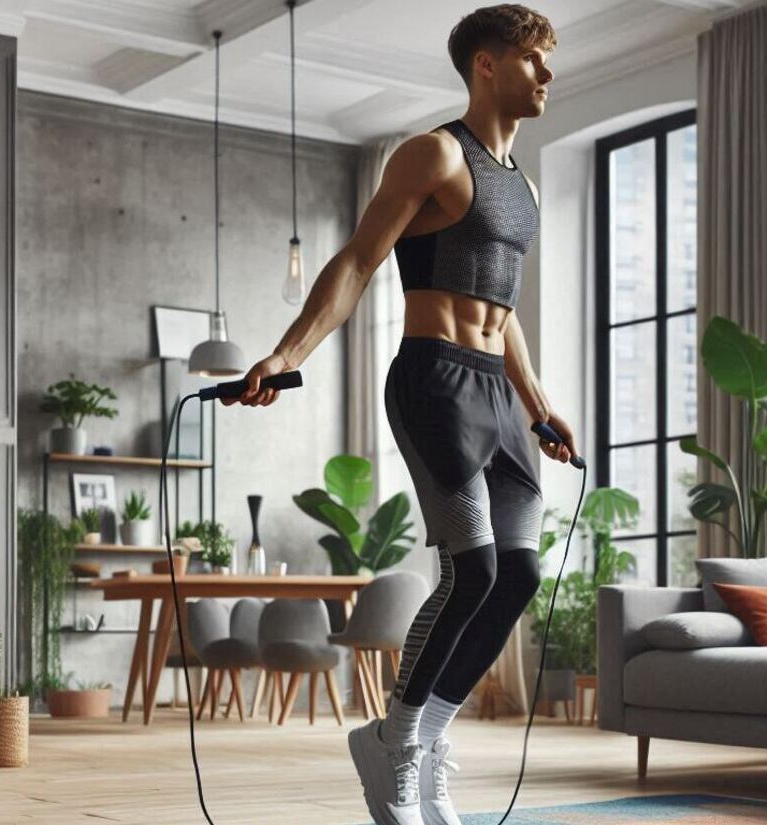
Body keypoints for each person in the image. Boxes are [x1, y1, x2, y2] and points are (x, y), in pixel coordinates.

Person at [223, 5, 575, 824]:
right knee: (472, 568)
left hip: (499, 393)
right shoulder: (432, 152)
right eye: (534, 59)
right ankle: (396, 744)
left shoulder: (521, 185)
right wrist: (288, 353)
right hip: (434, 382)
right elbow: (357, 258)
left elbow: (504, 308)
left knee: (517, 573)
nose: (547, 75)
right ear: (487, 65)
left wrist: (543, 407)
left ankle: (419, 742)